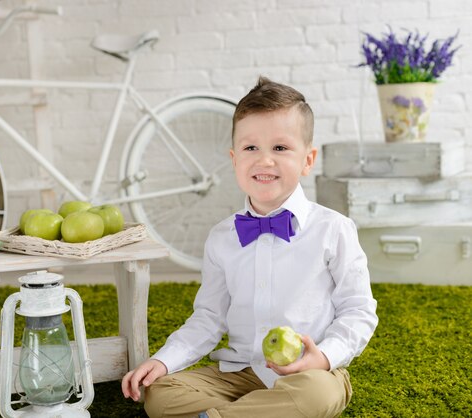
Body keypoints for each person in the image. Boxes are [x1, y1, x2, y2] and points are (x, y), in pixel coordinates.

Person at [121, 76, 378, 418]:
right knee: (161, 396)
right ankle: (255, 413)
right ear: (234, 158)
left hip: (309, 374)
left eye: (280, 148)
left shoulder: (334, 229)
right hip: (239, 374)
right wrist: (163, 360)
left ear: (308, 159)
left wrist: (325, 356)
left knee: (319, 395)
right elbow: (209, 317)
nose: (264, 160)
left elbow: (358, 311)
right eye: (251, 148)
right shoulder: (222, 236)